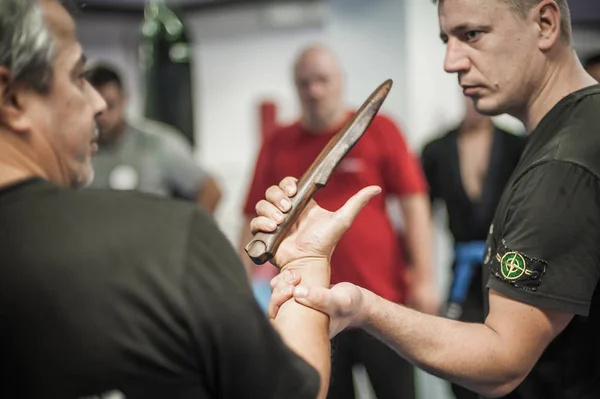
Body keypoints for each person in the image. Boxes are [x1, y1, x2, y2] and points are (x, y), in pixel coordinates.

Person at [0, 0, 372, 397]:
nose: (96, 104)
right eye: (77, 77)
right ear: (13, 100)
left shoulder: (158, 155)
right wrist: (308, 263)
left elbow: (210, 188)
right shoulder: (171, 244)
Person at [256, 0, 600, 398]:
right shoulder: (566, 136)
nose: (450, 62)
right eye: (446, 40)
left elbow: (501, 361)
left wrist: (364, 307)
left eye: (472, 35)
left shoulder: (563, 162)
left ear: (545, 23)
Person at [240, 44, 437, 399]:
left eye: (322, 80)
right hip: (312, 305)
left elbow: (414, 203)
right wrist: (240, 288)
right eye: (304, 83)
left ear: (340, 80)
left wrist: (424, 277)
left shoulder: (382, 129)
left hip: (382, 300)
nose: (314, 90)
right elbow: (250, 215)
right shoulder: (278, 142)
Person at [421, 96, 526, 399]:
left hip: (512, 266)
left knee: (515, 354)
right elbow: (422, 216)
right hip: (463, 272)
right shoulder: (437, 150)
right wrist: (422, 278)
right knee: (458, 361)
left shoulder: (516, 145)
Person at [84, 63, 222, 214]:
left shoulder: (158, 144)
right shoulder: (79, 152)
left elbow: (210, 190)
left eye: (110, 105)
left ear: (124, 100)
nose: (102, 116)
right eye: (94, 108)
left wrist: (187, 234)